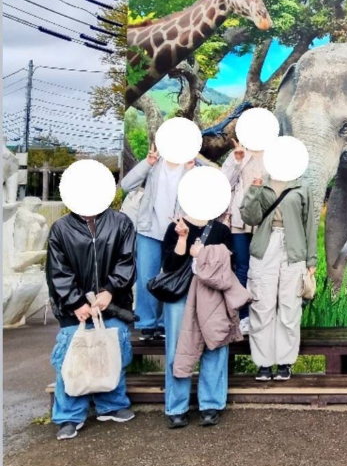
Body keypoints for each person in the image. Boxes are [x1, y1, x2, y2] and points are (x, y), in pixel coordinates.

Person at [45, 206, 137, 440]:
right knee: (72, 359)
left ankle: (112, 404)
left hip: (113, 304)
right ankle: (69, 415)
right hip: (74, 311)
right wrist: (75, 302)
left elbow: (127, 260)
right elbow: (57, 270)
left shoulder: (121, 222)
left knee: (113, 354)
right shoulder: (61, 228)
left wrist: (111, 290)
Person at [240, 173, 316, 381]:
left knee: (289, 308)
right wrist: (254, 190)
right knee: (262, 306)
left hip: (294, 250)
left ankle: (285, 362)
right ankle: (263, 364)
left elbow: (309, 223)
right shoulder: (262, 183)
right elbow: (250, 218)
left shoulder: (301, 185)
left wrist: (311, 259)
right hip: (265, 248)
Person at [161, 215, 234, 428]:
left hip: (212, 294)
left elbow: (228, 266)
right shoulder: (175, 227)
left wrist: (203, 254)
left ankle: (210, 404)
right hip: (179, 295)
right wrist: (182, 238)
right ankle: (176, 407)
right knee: (177, 348)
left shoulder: (221, 230)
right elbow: (168, 265)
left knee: (215, 344)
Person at [120, 145, 194, 340]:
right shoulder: (155, 163)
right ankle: (146, 323)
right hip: (149, 228)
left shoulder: (191, 164)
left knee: (173, 276)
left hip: (177, 231)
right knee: (146, 277)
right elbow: (126, 185)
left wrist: (190, 171)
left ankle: (165, 323)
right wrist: (147, 162)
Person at [221, 138, 265, 334]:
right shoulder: (238, 153)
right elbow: (224, 183)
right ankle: (242, 315)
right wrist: (237, 160)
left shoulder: (273, 154)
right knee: (242, 267)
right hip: (239, 220)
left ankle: (261, 314)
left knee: (262, 268)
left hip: (263, 220)